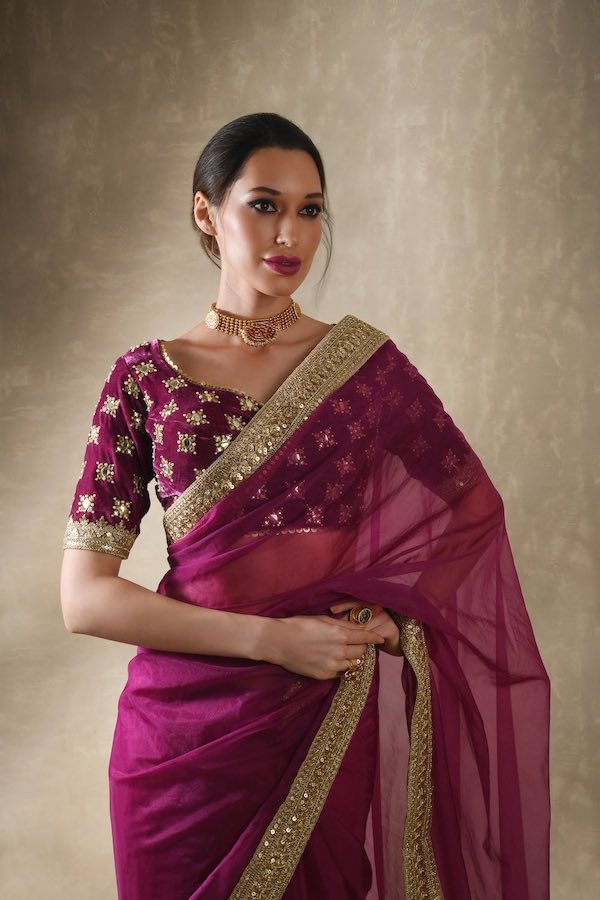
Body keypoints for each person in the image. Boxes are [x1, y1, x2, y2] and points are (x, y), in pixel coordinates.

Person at [60, 112, 550, 900]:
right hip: (176, 747)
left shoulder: (367, 371)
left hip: (316, 714)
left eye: (310, 209)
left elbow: (470, 513)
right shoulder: (145, 382)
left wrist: (392, 614)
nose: (290, 233)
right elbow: (84, 599)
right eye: (264, 205)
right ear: (205, 212)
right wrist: (270, 640)